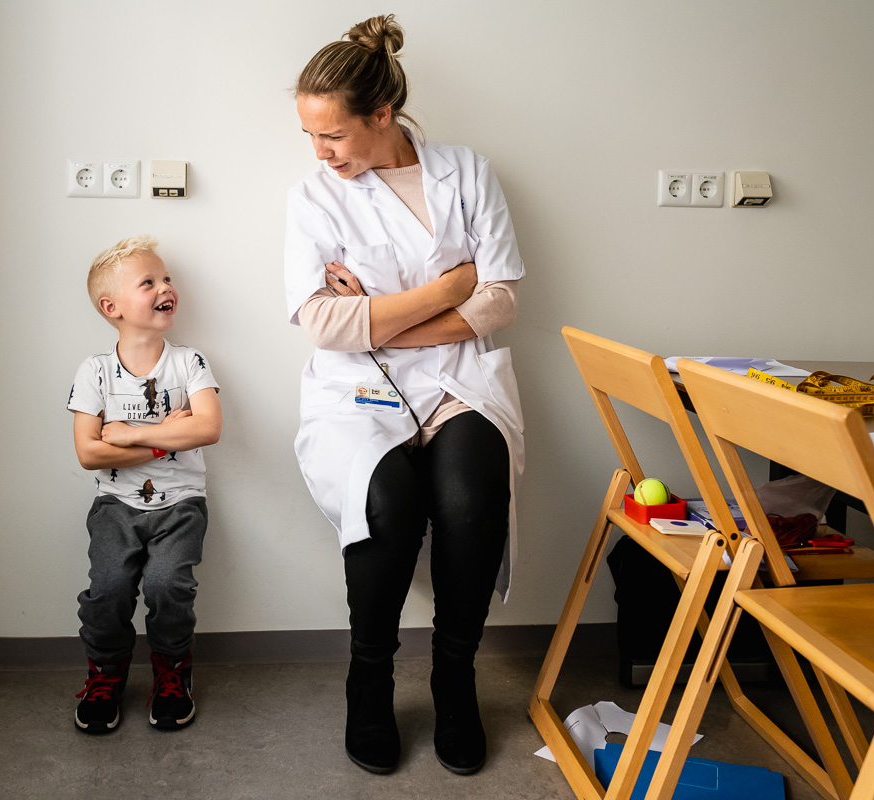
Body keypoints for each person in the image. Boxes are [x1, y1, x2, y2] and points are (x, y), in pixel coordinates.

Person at [285, 15, 526, 776]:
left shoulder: (467, 171)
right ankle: (370, 681)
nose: (322, 155)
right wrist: (450, 287)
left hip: (459, 380)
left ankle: (455, 680)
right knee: (385, 501)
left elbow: (503, 299)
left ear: (381, 115)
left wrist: (383, 321)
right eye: (311, 138)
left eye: (334, 138)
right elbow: (325, 325)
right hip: (356, 388)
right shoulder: (312, 197)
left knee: (471, 495)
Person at [66, 235, 222, 734]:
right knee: (108, 590)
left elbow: (208, 428)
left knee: (167, 586)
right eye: (149, 281)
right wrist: (164, 438)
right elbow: (89, 452)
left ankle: (173, 674)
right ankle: (105, 676)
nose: (165, 287)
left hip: (181, 504)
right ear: (112, 307)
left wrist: (130, 435)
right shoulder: (94, 372)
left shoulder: (190, 363)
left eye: (167, 278)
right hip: (115, 505)